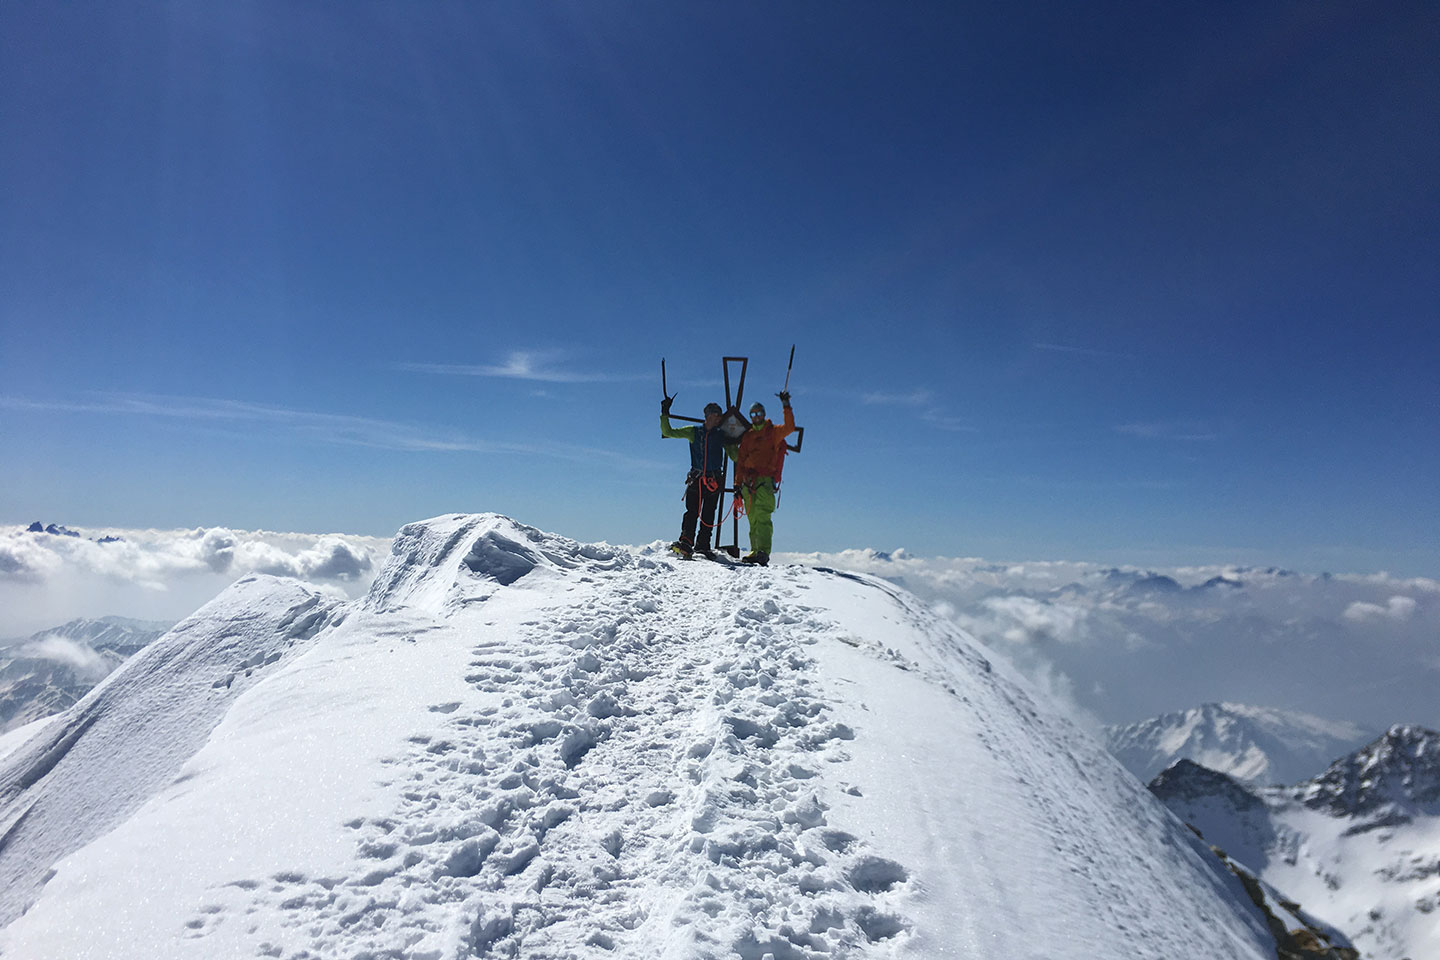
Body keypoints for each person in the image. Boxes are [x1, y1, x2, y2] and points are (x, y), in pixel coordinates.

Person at [729, 391, 795, 565]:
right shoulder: (748, 436)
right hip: (747, 483)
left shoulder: (773, 432)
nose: (756, 416)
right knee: (752, 518)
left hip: (765, 481)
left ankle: (763, 552)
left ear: (764, 414)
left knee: (763, 517)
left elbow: (789, 427)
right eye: (753, 414)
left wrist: (786, 405)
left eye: (759, 413)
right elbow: (741, 462)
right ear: (750, 416)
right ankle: (754, 550)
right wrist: (737, 485)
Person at [660, 398, 728, 559]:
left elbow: (734, 453)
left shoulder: (721, 435)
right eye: (716, 415)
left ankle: (702, 545)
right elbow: (668, 432)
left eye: (719, 416)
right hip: (699, 479)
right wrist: (664, 414)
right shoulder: (694, 431)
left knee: (708, 514)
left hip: (712, 480)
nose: (719, 419)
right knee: (692, 512)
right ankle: (687, 542)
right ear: (709, 416)